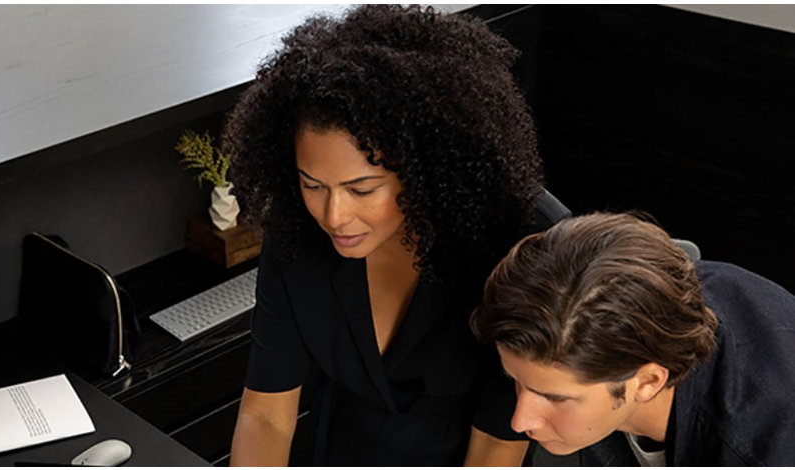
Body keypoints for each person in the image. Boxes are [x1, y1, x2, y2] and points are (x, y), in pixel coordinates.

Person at [222, 4, 549, 466]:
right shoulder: (297, 237)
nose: (334, 215)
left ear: (422, 172)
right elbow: (267, 414)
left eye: (362, 189)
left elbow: (498, 439)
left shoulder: (506, 256)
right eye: (312, 185)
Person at [470, 212, 795, 466]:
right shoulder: (565, 323)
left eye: (555, 399)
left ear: (648, 381)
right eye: (513, 379)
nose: (519, 420)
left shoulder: (759, 451)